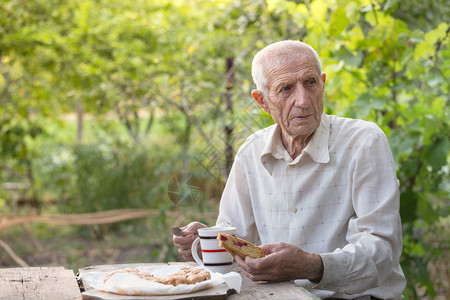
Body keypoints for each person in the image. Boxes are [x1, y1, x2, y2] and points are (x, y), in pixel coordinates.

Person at [173, 40, 406, 299]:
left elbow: (382, 250)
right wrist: (205, 242)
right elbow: (235, 243)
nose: (304, 101)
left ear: (323, 84)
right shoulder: (251, 153)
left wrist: (311, 265)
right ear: (262, 101)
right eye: (286, 88)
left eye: (310, 83)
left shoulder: (363, 141)